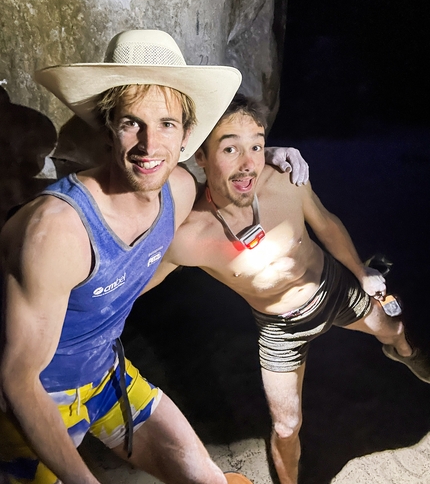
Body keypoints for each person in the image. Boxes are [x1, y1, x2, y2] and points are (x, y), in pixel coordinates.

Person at [0, 30, 306, 484]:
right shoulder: (58, 231)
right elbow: (19, 378)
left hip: (104, 374)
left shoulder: (179, 191)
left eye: (166, 123)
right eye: (131, 122)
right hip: (30, 401)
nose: (149, 145)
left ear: (186, 135)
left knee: (210, 480)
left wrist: (264, 159)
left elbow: (226, 189)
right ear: (108, 128)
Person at [146, 94, 430, 484]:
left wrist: (360, 271)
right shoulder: (188, 237)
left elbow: (326, 224)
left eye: (257, 146)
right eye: (230, 148)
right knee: (285, 426)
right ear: (200, 156)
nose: (249, 163)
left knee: (394, 330)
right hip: (280, 328)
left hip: (333, 288)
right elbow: (139, 283)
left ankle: (405, 353)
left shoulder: (284, 180)